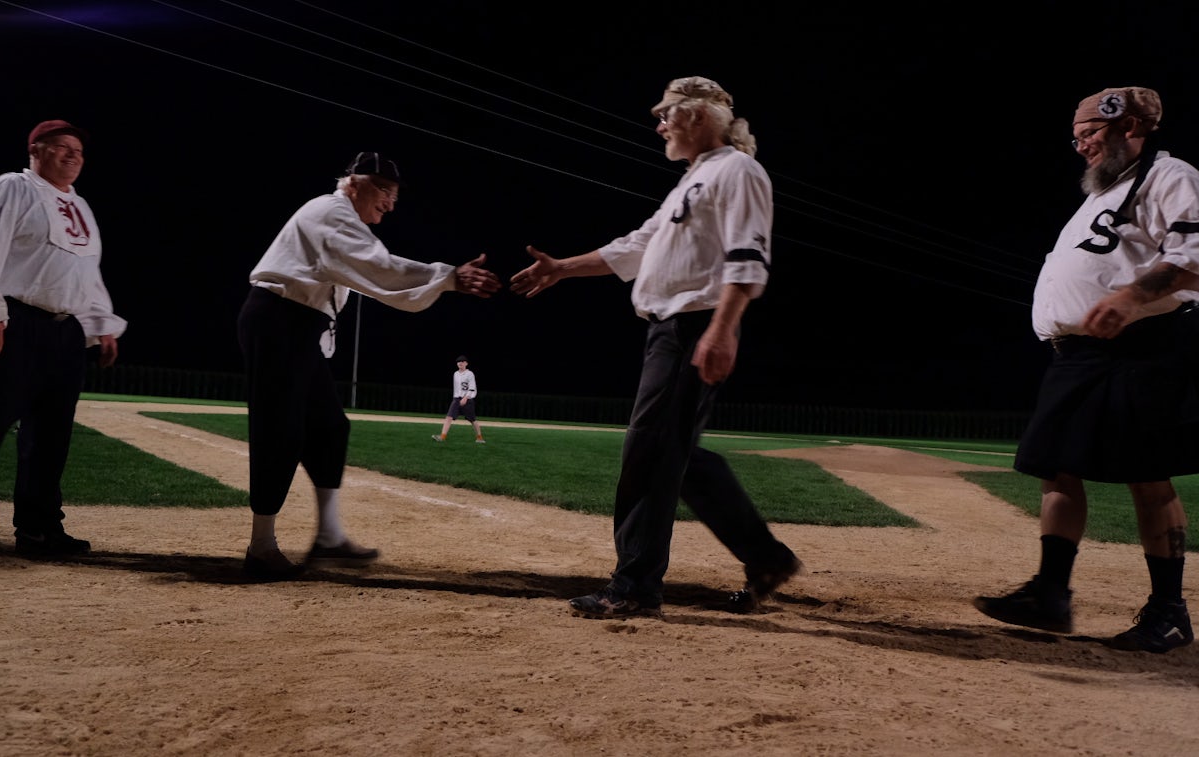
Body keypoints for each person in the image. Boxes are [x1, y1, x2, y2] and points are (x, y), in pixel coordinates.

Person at [510, 76, 801, 619]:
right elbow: (639, 246)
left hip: (694, 325)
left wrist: (723, 328)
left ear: (697, 117)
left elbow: (749, 255)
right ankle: (767, 559)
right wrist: (563, 269)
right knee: (679, 457)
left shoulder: (737, 170)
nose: (659, 122)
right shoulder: (694, 179)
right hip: (671, 331)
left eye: (666, 112)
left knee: (648, 453)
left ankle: (635, 587)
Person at [974, 86, 1199, 653]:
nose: (1081, 147)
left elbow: (1192, 255)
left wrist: (1129, 298)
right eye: (1075, 138)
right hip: (1080, 355)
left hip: (1141, 346)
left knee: (1146, 475)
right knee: (1057, 465)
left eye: (1089, 134)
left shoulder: (1168, 176)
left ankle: (1169, 613)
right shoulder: (1107, 190)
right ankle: (1050, 594)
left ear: (1129, 127)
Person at [238, 151, 501, 580]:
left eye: (395, 195)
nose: (390, 203)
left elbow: (366, 272)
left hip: (295, 324)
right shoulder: (332, 211)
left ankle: (328, 535)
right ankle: (261, 548)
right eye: (385, 191)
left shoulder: (340, 216)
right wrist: (449, 276)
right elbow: (379, 268)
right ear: (354, 182)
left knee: (329, 428)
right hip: (279, 320)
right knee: (280, 430)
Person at [0, 119, 125, 557]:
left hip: (64, 331)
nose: (73, 155)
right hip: (13, 323)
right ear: (35, 150)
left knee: (51, 437)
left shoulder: (81, 206)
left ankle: (39, 530)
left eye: (79, 151)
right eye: (61, 147)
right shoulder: (14, 187)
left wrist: (99, 323)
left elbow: (84, 272)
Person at [432, 355, 486, 443]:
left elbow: (472, 387)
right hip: (457, 399)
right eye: (458, 361)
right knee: (449, 417)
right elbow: (457, 388)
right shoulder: (455, 374)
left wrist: (465, 398)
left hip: (468, 399)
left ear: (466, 363)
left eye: (462, 361)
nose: (460, 363)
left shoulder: (470, 374)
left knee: (472, 420)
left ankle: (479, 437)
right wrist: (456, 398)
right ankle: (442, 437)